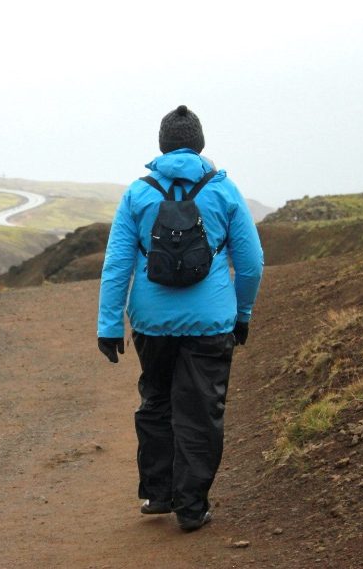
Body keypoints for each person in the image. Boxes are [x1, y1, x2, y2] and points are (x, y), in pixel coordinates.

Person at [96, 105, 263, 532]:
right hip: (211, 324)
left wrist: (109, 325)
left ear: (162, 145)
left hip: (151, 324)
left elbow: (117, 265)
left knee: (157, 401)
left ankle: (158, 494)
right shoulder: (224, 191)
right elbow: (251, 265)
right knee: (200, 412)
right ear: (200, 144)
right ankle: (191, 508)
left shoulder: (138, 193)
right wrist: (241, 313)